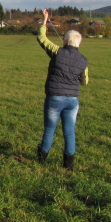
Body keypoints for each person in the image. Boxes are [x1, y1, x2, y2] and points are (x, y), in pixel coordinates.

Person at [36, 9, 89, 170]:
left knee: (49, 129)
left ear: (65, 41)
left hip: (55, 98)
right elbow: (85, 81)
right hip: (72, 100)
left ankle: (41, 158)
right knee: (69, 131)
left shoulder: (58, 52)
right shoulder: (83, 61)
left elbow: (42, 38)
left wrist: (45, 20)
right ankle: (68, 165)